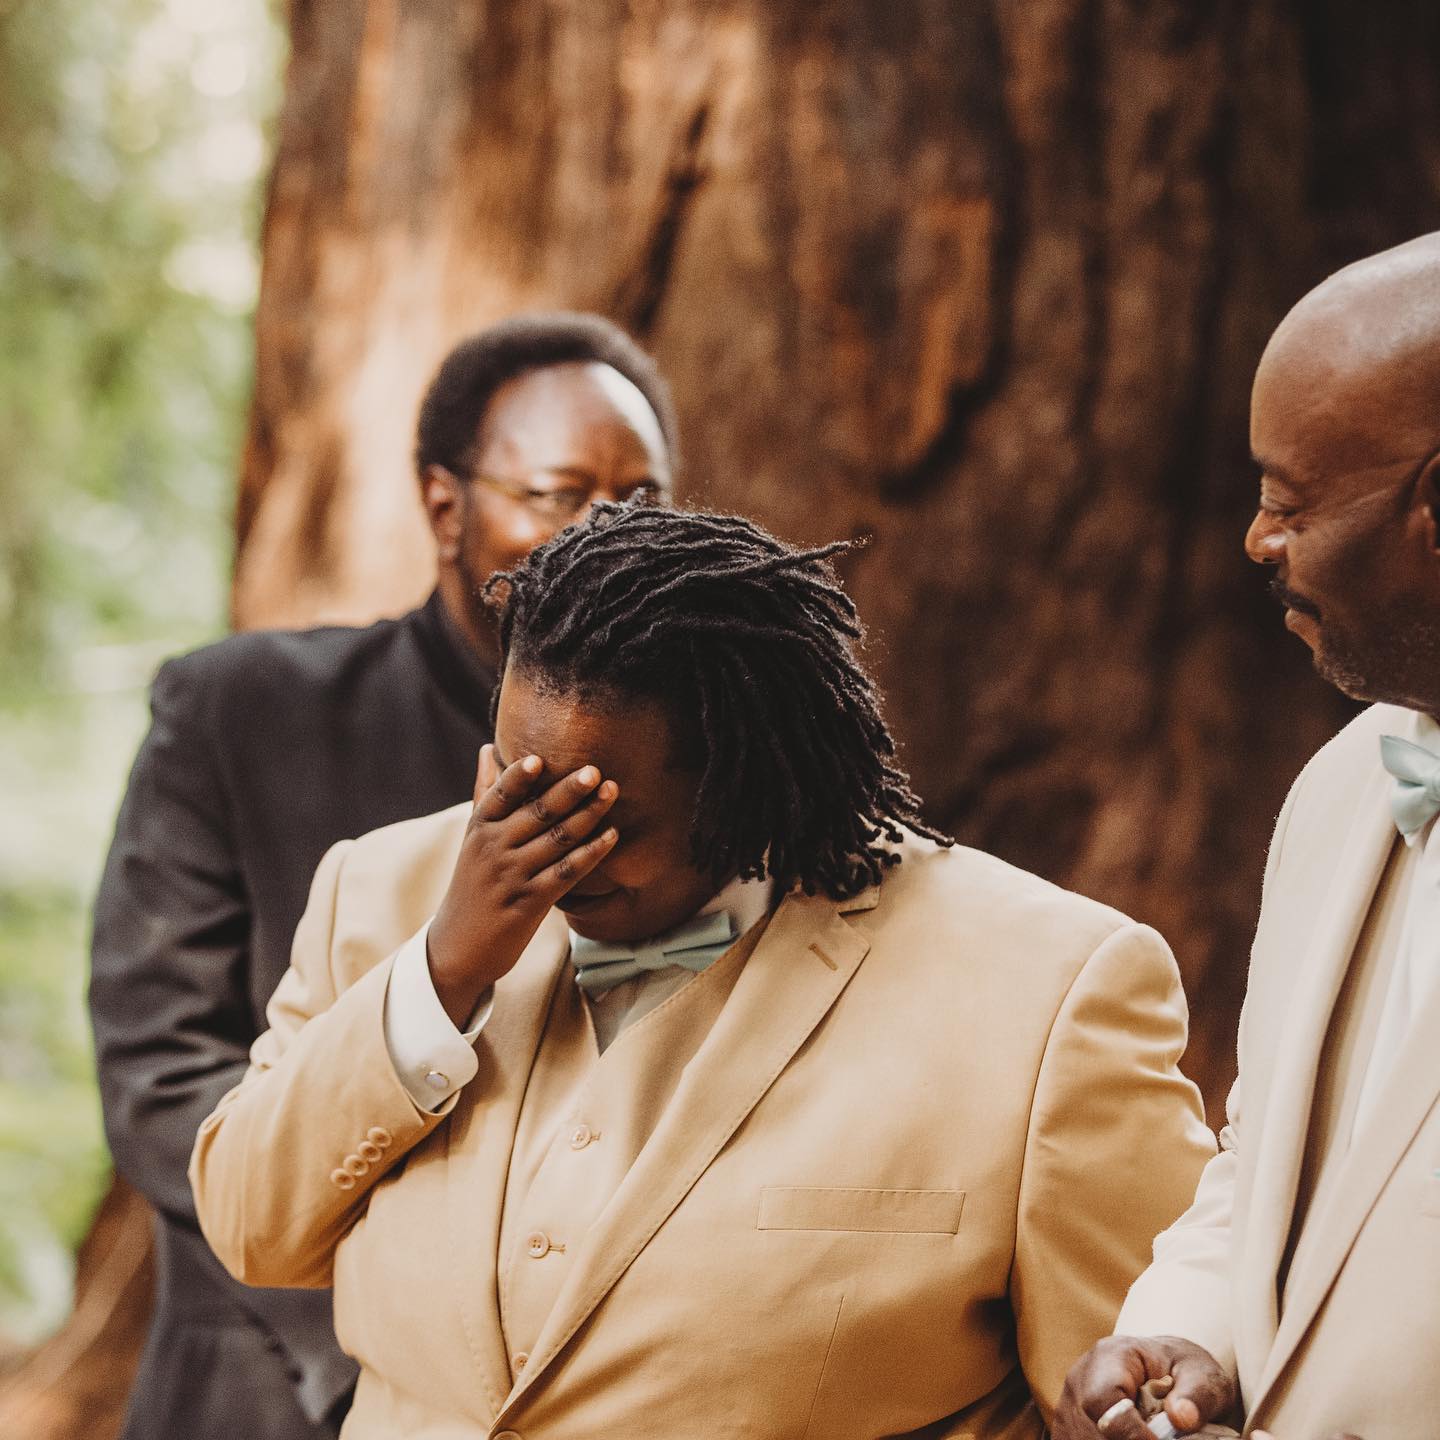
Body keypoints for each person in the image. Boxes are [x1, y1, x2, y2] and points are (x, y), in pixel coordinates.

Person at [190, 502, 1214, 1440]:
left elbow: (1137, 1385)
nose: (548, 854)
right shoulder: (378, 892)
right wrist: (440, 974)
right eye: (514, 785)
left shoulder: (1048, 990)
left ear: (752, 789)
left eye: (603, 822)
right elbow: (249, 1228)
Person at [89, 313, 678, 1440]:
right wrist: (382, 1325)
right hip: (271, 1368)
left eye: (642, 500)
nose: (605, 534)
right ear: (445, 506)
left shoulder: (698, 771)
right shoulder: (244, 711)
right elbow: (164, 1077)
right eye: (557, 494)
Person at [1054, 233, 1440, 1440]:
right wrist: (1187, 1333)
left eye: (1289, 501)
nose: (1256, 542)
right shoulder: (1339, 790)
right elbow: (1263, 1158)